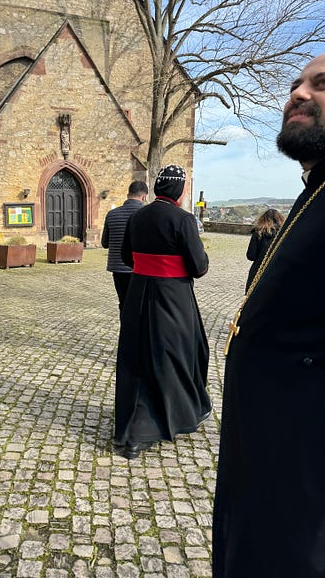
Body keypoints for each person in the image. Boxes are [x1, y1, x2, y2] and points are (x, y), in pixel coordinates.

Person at [213, 55, 325, 577]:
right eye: (296, 84)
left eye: (321, 85)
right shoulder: (313, 193)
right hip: (266, 459)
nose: (298, 94)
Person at [114, 165, 211, 459]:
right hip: (172, 297)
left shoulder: (137, 216)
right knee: (174, 355)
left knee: (138, 355)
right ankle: (148, 428)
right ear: (179, 191)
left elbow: (124, 257)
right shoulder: (184, 220)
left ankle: (133, 422)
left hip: (138, 293)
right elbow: (199, 267)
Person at [101, 180, 148, 311]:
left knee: (124, 303)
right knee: (140, 305)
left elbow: (104, 243)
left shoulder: (112, 214)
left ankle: (125, 330)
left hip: (118, 267)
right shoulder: (147, 214)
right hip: (141, 268)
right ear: (143, 197)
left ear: (128, 195)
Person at [245, 208, 285, 291]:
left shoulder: (258, 233)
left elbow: (251, 256)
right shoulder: (285, 234)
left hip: (259, 271)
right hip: (279, 272)